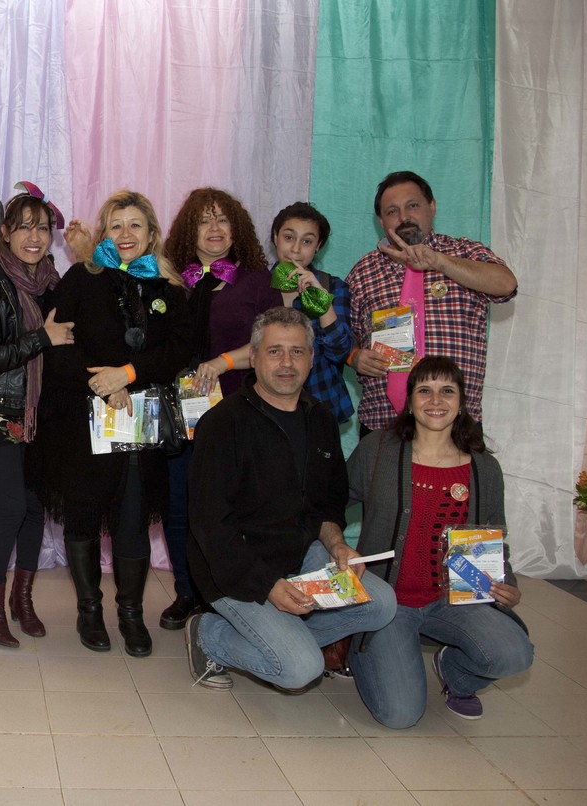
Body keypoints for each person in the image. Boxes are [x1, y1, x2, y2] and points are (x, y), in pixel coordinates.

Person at [185, 307, 396, 691]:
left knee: (382, 604)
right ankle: (209, 635)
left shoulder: (321, 418)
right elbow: (211, 526)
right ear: (253, 357)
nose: (287, 363)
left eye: (297, 352)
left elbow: (329, 503)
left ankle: (284, 636)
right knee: (300, 670)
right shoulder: (222, 424)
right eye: (275, 351)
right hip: (233, 567)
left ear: (311, 358)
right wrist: (267, 585)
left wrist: (337, 545)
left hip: (299, 552)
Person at [30, 190, 192, 658]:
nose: (125, 233)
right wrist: (102, 383)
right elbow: (57, 344)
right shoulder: (82, 277)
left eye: (135, 224)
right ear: (104, 234)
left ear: (152, 233)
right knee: (82, 515)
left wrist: (129, 374)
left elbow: (179, 350)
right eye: (116, 225)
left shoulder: (168, 288)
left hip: (140, 422)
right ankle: (89, 610)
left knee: (132, 518)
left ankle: (130, 615)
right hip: (79, 418)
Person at [346, 356, 533, 726]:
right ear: (410, 401)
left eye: (447, 390)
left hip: (453, 601)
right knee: (400, 715)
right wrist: (334, 546)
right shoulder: (378, 450)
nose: (436, 400)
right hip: (388, 604)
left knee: (514, 653)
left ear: (461, 402)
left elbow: (495, 540)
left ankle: (455, 672)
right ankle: (366, 647)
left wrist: (507, 585)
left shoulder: (484, 468)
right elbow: (329, 503)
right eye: (424, 390)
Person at [155, 188, 279, 633]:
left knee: (228, 510)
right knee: (178, 506)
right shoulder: (170, 280)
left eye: (222, 219)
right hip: (178, 415)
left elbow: (272, 343)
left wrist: (223, 361)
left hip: (237, 414)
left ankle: (225, 595)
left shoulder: (258, 281)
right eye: (204, 220)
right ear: (189, 230)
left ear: (236, 228)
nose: (213, 228)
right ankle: (186, 591)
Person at [0, 183, 73, 648]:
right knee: (11, 506)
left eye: (43, 229)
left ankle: (21, 601)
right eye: (24, 228)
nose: (34, 237)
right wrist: (42, 338)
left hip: (42, 412)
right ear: (5, 232)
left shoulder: (52, 284)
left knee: (34, 506)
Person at [346, 171, 518, 434]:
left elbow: (506, 285)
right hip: (383, 424)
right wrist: (354, 357)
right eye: (392, 211)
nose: (404, 217)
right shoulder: (363, 272)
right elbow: (342, 335)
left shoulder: (464, 252)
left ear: (432, 206)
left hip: (456, 425)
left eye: (412, 206)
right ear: (380, 220)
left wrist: (438, 261)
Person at [268, 202, 354, 424]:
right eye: (289, 237)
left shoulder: (332, 287)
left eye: (307, 241)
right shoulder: (256, 285)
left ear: (319, 245)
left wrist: (321, 301)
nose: (296, 249)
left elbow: (340, 352)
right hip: (265, 408)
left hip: (320, 406)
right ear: (276, 237)